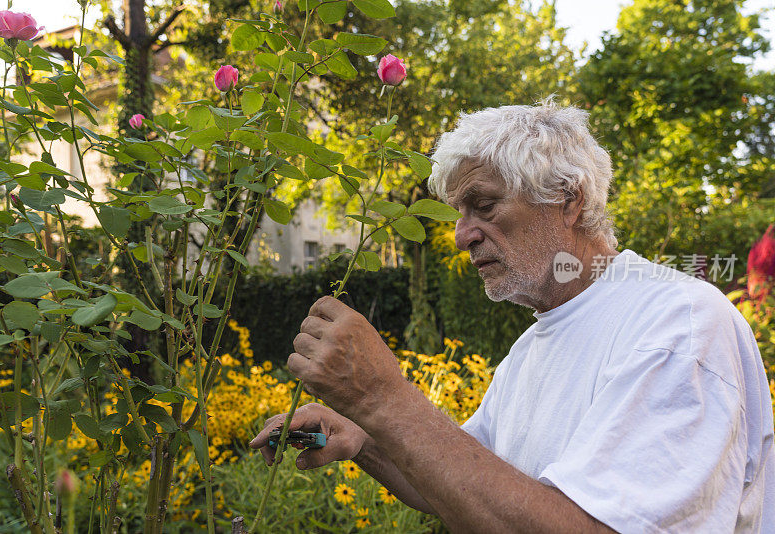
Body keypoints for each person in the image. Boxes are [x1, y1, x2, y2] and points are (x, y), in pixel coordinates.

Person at [250, 100, 775, 532]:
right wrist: (364, 435)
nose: (462, 234)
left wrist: (383, 399)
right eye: (461, 212)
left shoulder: (675, 324)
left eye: (484, 205)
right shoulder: (531, 349)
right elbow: (469, 488)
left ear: (568, 201)